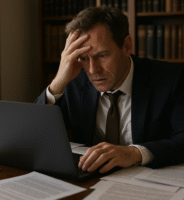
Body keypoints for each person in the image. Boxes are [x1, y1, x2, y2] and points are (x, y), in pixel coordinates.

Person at [35, 6, 184, 174]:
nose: (92, 70)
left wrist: (134, 153)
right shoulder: (74, 82)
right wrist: (58, 82)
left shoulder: (171, 79)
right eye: (84, 58)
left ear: (127, 46)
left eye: (102, 55)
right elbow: (33, 135)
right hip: (91, 183)